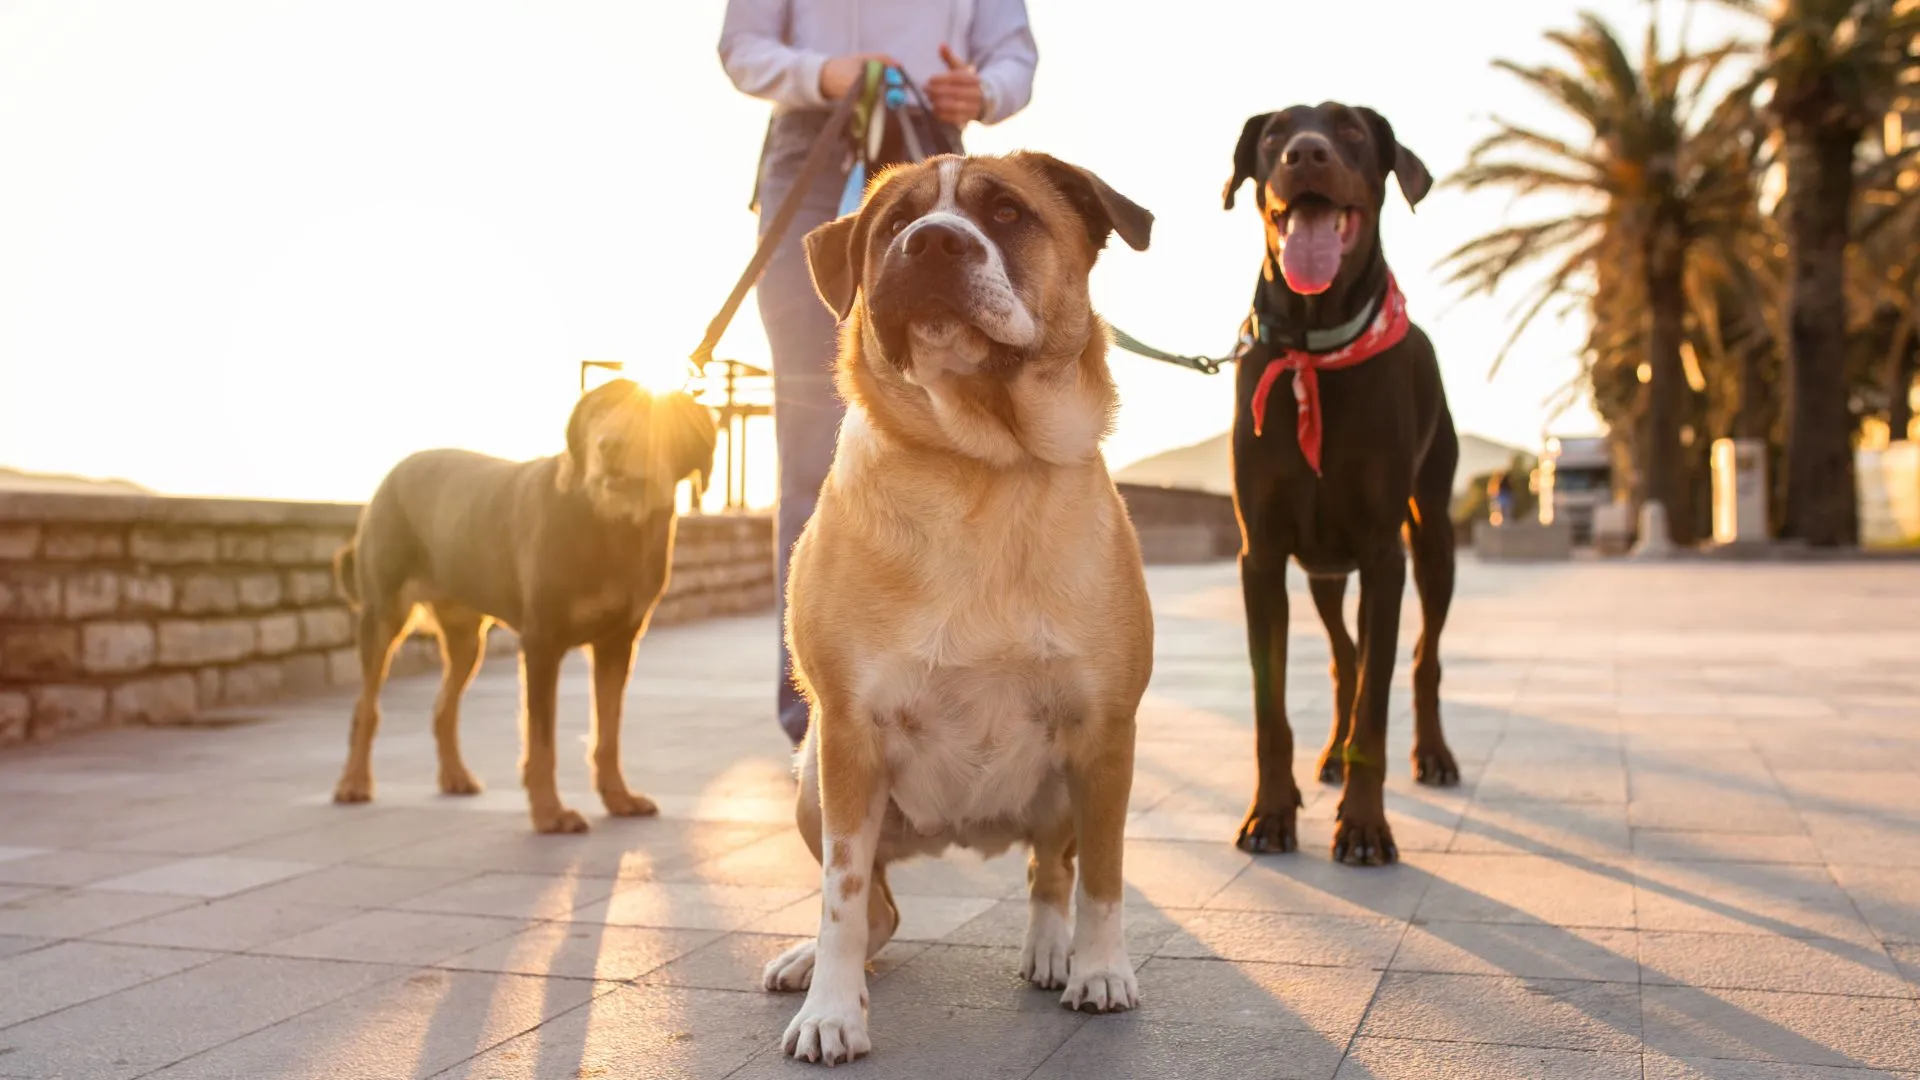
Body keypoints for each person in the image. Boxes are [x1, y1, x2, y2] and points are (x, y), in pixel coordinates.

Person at [719, 0, 1038, 746]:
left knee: (958, 434)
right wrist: (821, 72)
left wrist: (986, 92)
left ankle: (954, 695)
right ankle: (819, 712)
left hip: (934, 154)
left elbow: (1014, 54)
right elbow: (742, 46)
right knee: (811, 447)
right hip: (811, 152)